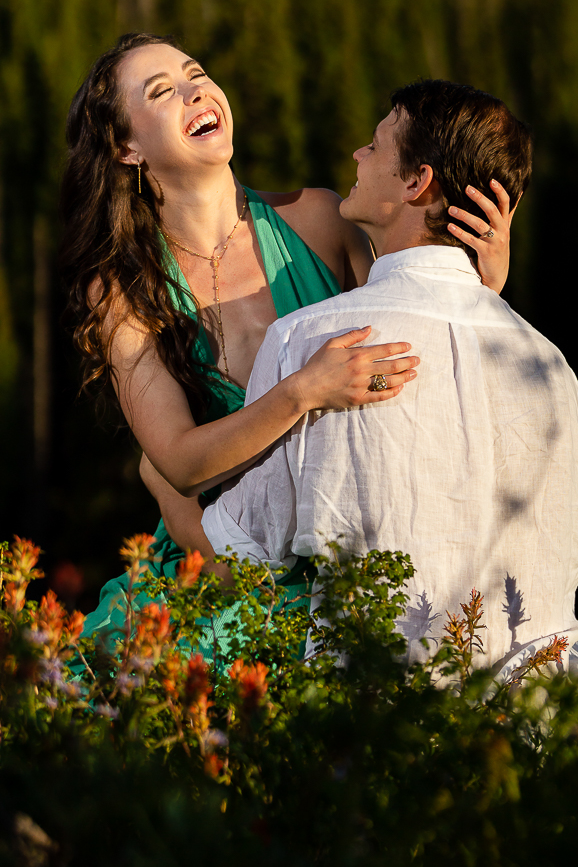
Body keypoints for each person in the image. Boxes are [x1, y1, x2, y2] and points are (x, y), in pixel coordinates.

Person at [59, 35, 517, 653]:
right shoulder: (120, 292)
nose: (195, 89)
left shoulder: (320, 219)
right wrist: (303, 391)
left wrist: (481, 287)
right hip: (217, 568)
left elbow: (411, 342)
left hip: (350, 551)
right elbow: (180, 464)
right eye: (162, 90)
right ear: (126, 147)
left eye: (195, 73)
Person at [200, 81, 578, 678]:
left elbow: (244, 553)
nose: (358, 155)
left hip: (381, 725)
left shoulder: (313, 343)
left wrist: (165, 477)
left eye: (377, 145)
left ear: (417, 183)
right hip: (540, 727)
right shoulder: (550, 365)